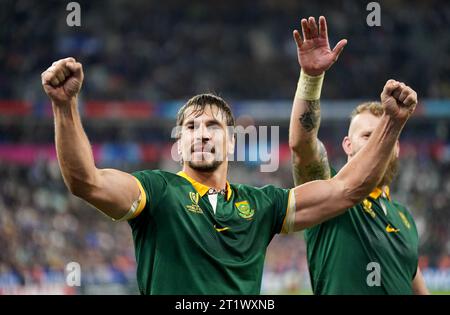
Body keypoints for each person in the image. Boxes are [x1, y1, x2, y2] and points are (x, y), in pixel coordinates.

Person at [41, 42, 414, 294]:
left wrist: (392, 123)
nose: (201, 135)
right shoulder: (156, 192)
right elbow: (85, 181)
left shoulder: (262, 205)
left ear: (232, 142)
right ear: (179, 143)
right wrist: (64, 106)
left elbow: (346, 188)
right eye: (190, 127)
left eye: (213, 126)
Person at [289, 16, 428, 294]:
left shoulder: (404, 219)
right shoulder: (330, 198)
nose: (378, 143)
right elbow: (302, 146)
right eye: (367, 136)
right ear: (347, 145)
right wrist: (312, 78)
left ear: (396, 147)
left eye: (385, 136)